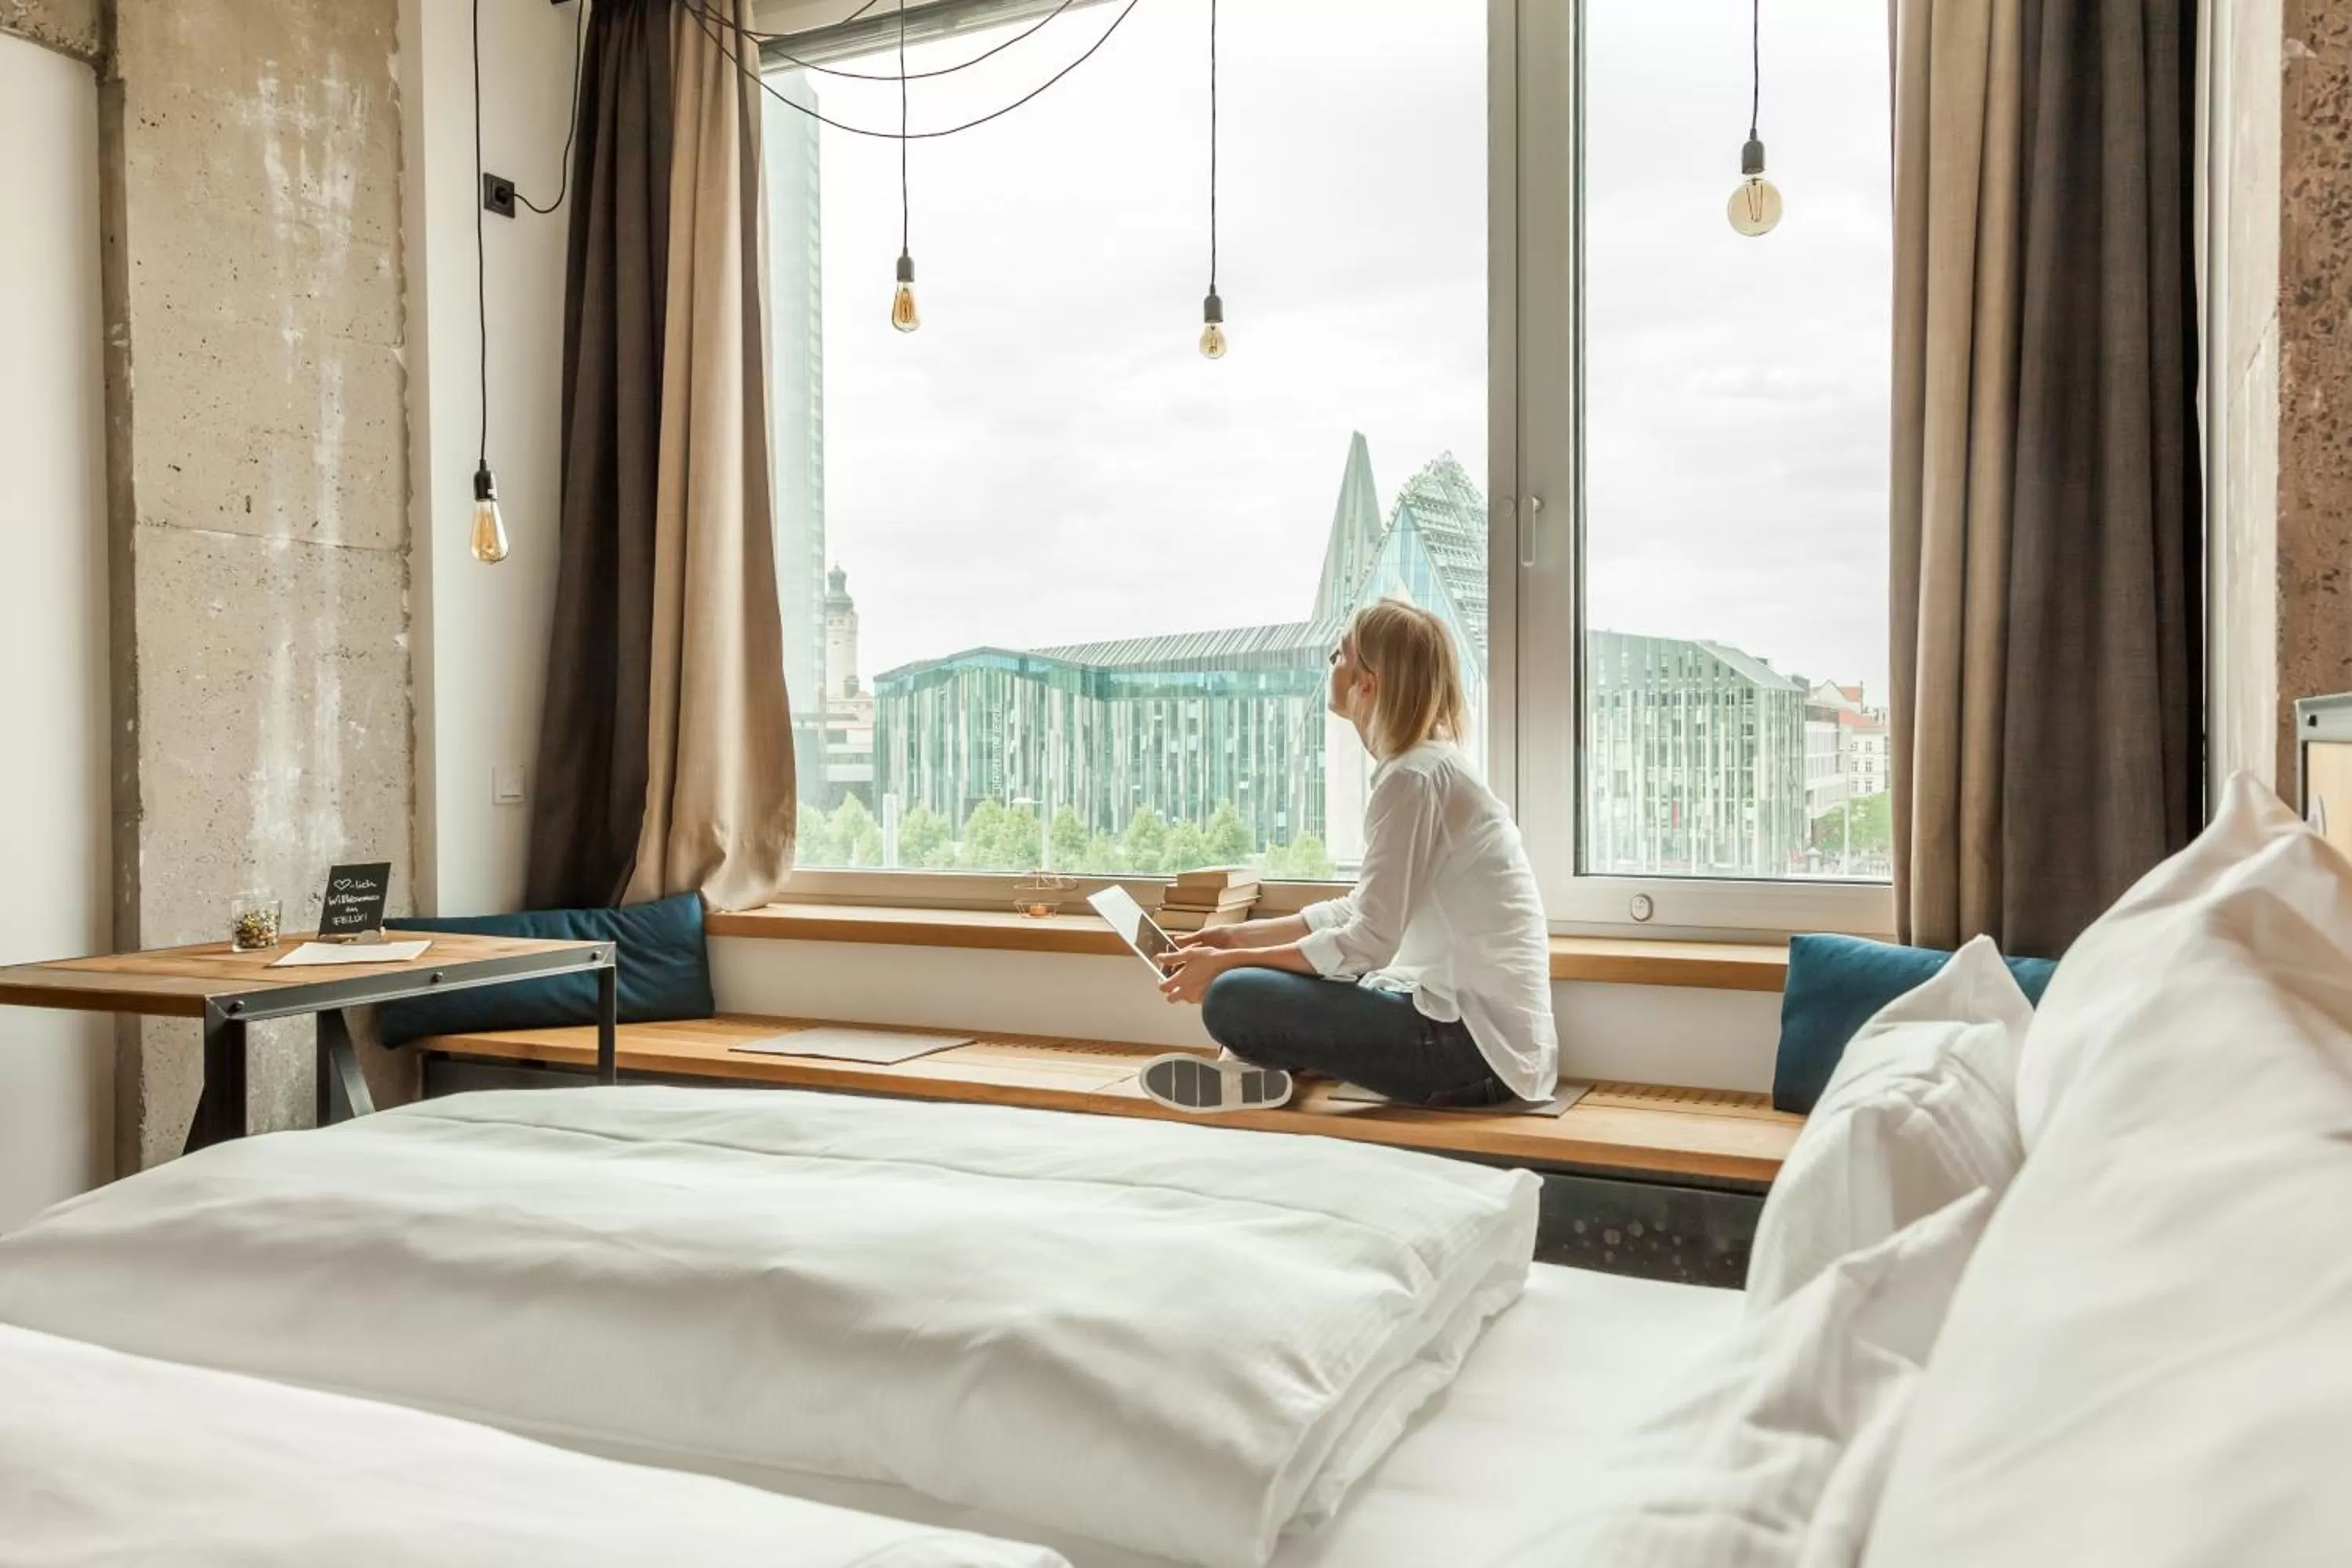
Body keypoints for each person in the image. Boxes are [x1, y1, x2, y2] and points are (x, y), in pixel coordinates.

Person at [1139, 599, 1559, 1114]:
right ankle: (1250, 1071)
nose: (1331, 664)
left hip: (1471, 1053)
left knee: (1232, 994)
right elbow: (1362, 909)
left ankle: (1251, 1067)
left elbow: (1367, 943)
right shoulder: (1427, 769)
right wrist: (1236, 937)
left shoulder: (1413, 779)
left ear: (1367, 684)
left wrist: (1227, 964)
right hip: (1475, 1042)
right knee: (1282, 972)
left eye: (1340, 655)